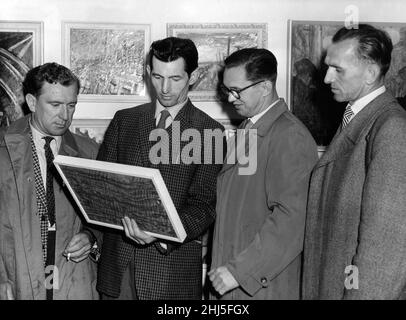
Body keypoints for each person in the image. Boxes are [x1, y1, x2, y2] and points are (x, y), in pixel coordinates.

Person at [96, 37, 224, 300]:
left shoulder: (210, 131)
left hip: (170, 277)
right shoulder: (124, 121)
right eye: (157, 76)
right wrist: (89, 235)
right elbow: (101, 189)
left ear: (193, 76)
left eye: (175, 79)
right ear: (147, 72)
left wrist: (160, 235)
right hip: (116, 273)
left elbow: (203, 206)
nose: (164, 88)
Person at [302, 24, 406, 299]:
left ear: (371, 73)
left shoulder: (392, 128)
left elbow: (386, 247)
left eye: (338, 69)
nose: (326, 78)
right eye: (328, 67)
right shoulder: (358, 117)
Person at [209, 48, 318, 299]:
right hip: (232, 278)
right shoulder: (249, 128)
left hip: (259, 286)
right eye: (227, 90)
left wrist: (239, 271)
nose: (230, 98)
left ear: (266, 87)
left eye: (237, 90)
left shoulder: (290, 136)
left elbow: (293, 219)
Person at [0, 62, 100, 300]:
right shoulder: (2, 151)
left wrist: (90, 237)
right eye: (55, 105)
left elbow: (107, 218)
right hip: (17, 279)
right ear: (32, 102)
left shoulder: (91, 152)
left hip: (72, 279)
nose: (65, 116)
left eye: (71, 105)